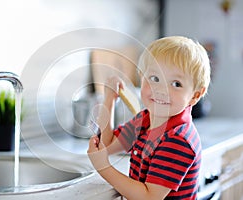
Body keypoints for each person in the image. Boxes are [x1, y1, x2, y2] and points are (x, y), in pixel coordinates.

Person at [87, 36, 211, 200]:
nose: (161, 90)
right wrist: (109, 98)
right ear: (141, 77)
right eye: (154, 78)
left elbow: (149, 197)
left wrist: (103, 167)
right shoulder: (145, 120)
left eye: (176, 84)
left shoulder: (178, 139)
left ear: (195, 95)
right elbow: (107, 145)